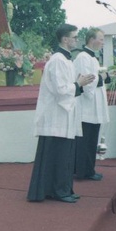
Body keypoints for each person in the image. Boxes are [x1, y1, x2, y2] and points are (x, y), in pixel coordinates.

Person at [27, 24, 95, 203]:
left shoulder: (66, 60)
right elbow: (60, 90)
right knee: (58, 154)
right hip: (56, 116)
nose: (77, 40)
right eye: (74, 37)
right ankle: (58, 191)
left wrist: (80, 83)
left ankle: (62, 189)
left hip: (63, 114)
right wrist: (78, 84)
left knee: (64, 154)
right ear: (65, 39)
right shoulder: (57, 60)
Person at [73, 28, 112, 180]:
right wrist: (101, 77)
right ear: (91, 39)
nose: (103, 42)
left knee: (91, 139)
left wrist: (105, 76)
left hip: (94, 105)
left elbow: (96, 78)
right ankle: (82, 171)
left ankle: (89, 169)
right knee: (85, 140)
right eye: (101, 39)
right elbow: (86, 81)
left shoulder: (93, 58)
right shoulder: (83, 57)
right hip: (86, 105)